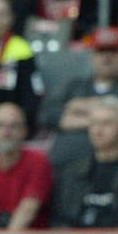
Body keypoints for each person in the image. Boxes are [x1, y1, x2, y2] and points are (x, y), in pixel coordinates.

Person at [43, 26, 118, 167]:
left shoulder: (75, 96)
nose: (107, 57)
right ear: (92, 56)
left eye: (113, 51)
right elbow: (47, 114)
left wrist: (75, 107)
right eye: (101, 51)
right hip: (68, 165)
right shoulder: (75, 86)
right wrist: (104, 116)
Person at [0, 101, 52, 230]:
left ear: (24, 131)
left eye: (13, 126)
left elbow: (27, 211)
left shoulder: (38, 162)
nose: (6, 132)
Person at [52, 95, 118, 227]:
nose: (98, 130)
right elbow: (61, 218)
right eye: (93, 123)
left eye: (107, 123)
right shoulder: (70, 173)